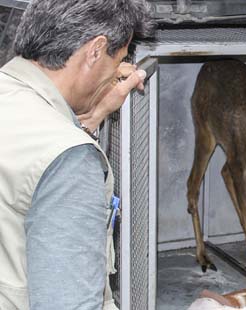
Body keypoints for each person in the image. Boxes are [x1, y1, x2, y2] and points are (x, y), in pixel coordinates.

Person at [0, 0, 154, 309]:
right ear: (95, 50)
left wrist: (90, 118)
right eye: (120, 59)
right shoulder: (69, 159)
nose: (118, 75)